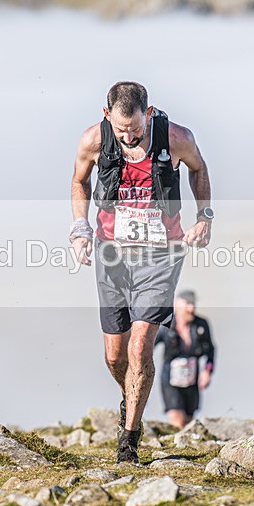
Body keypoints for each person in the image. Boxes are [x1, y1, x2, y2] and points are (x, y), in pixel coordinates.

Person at [69, 81, 213, 463]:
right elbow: (79, 181)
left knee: (139, 348)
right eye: (121, 130)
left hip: (161, 256)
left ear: (148, 115)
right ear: (107, 116)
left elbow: (199, 169)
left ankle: (128, 443)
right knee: (116, 358)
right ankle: (132, 395)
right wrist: (80, 227)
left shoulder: (176, 138)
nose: (129, 137)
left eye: (135, 129)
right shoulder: (93, 141)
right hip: (112, 255)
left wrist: (205, 218)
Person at [155, 290, 216, 430]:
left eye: (193, 304)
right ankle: (176, 446)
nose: (191, 308)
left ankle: (186, 445)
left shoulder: (201, 324)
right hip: (170, 380)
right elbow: (148, 346)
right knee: (176, 417)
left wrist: (207, 371)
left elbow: (211, 349)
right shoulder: (166, 325)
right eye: (187, 304)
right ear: (177, 305)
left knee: (189, 420)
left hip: (191, 379)